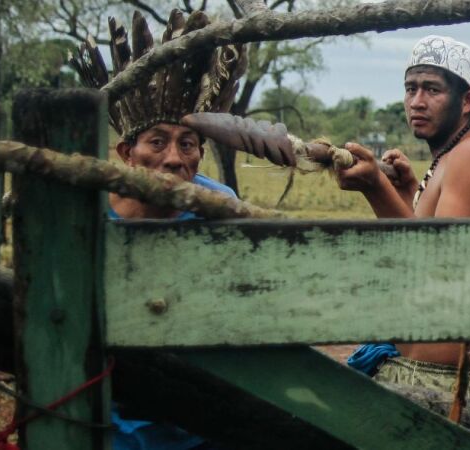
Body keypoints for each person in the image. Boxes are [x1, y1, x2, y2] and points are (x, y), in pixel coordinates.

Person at [70, 10, 292, 449]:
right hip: (106, 414)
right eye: (157, 142)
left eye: (187, 144)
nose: (174, 158)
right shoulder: (85, 215)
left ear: (199, 153)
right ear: (126, 152)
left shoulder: (219, 205)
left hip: (200, 417)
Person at [338, 35, 470, 401]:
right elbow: (433, 233)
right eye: (410, 88)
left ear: (467, 100)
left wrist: (376, 188)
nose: (417, 102)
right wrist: (408, 190)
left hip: (439, 378)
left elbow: (436, 268)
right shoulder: (453, 156)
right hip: (425, 368)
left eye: (432, 90)